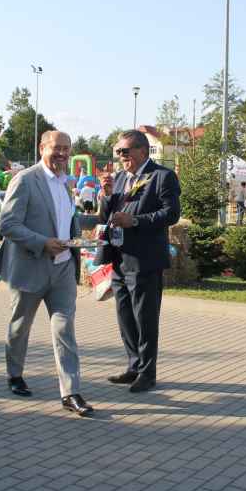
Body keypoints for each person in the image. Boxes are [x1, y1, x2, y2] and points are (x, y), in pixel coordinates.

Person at [0, 131, 93, 417]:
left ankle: (70, 392)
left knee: (64, 329)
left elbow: (66, 220)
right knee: (20, 326)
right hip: (30, 267)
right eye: (57, 148)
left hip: (63, 268)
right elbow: (8, 224)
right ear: (42, 148)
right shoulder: (25, 180)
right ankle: (15, 374)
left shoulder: (66, 183)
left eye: (66, 148)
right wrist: (43, 243)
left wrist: (87, 233)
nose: (62, 153)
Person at [97, 129, 181, 393]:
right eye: (118, 152)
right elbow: (106, 216)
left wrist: (134, 221)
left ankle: (147, 373)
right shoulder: (121, 178)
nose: (121, 157)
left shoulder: (162, 176)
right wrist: (106, 195)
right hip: (120, 259)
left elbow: (171, 214)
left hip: (145, 260)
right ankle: (134, 366)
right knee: (125, 318)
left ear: (142, 151)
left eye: (125, 151)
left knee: (145, 320)